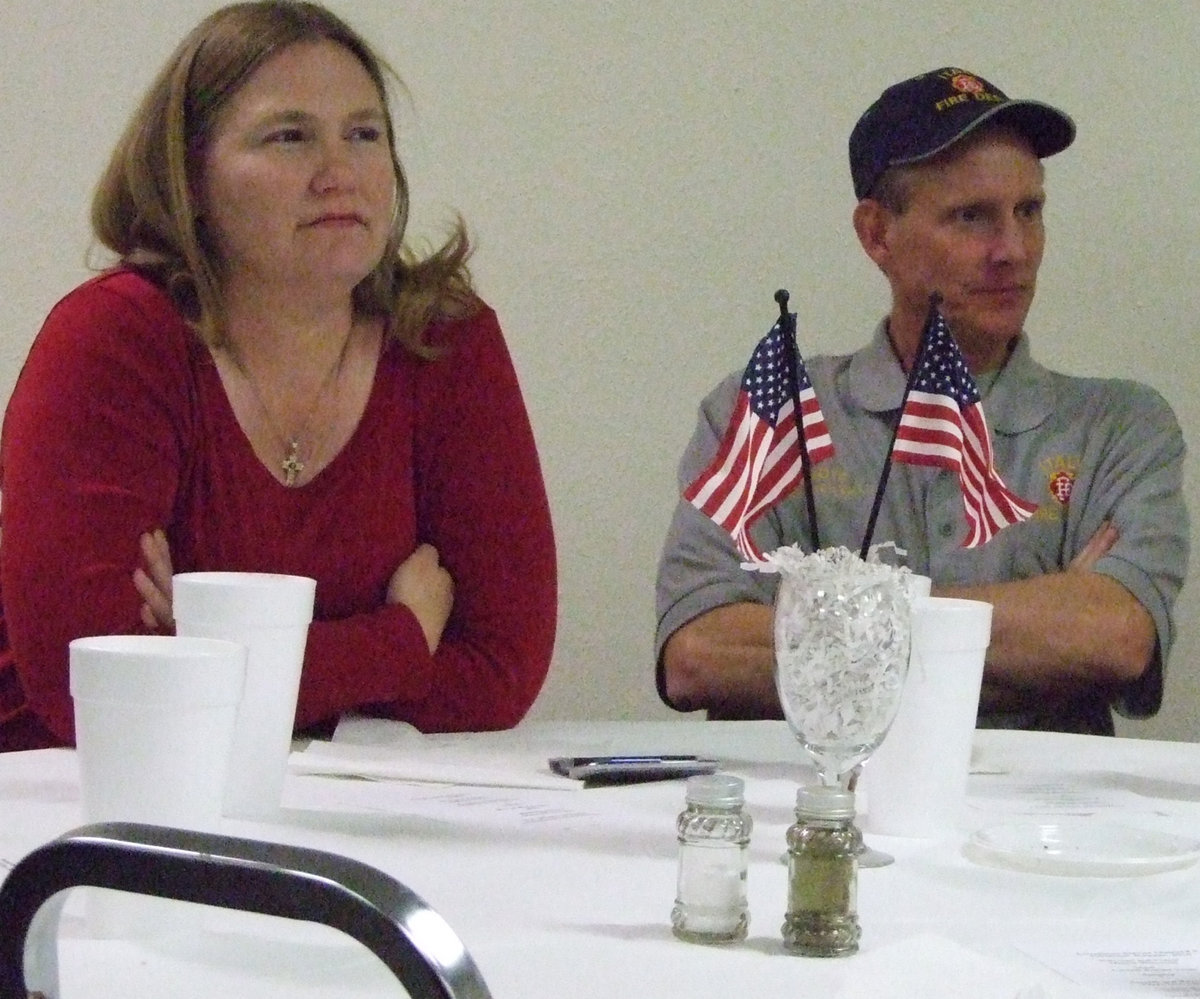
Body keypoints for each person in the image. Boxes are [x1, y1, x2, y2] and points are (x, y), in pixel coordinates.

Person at [0, 1, 557, 752]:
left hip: (339, 801)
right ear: (189, 176)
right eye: (290, 136)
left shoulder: (444, 340)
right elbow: (96, 693)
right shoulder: (113, 341)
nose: (340, 173)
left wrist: (202, 662)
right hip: (72, 803)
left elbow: (499, 671)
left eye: (365, 134)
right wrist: (398, 640)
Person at [655, 67, 1188, 735]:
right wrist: (1035, 626)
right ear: (878, 235)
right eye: (972, 217)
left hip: (1035, 828)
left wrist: (816, 618)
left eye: (1030, 211)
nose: (1014, 250)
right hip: (820, 820)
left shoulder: (1119, 426)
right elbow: (699, 654)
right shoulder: (769, 409)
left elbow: (1113, 637)